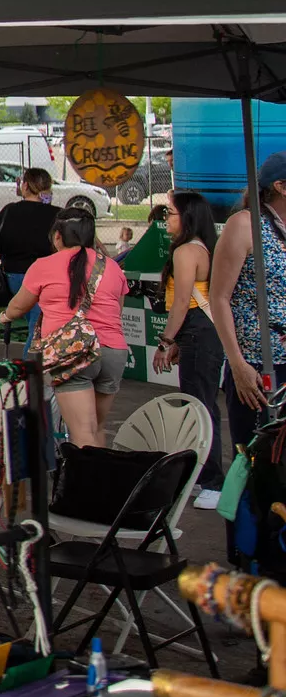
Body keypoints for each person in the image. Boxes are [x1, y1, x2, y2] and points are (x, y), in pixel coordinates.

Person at [0, 210, 125, 447]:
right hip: (113, 352)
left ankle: (85, 484)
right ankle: (102, 481)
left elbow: (18, 307)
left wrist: (4, 315)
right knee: (96, 428)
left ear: (58, 236)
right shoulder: (112, 267)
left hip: (73, 354)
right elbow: (117, 310)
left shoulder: (44, 266)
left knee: (81, 434)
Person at [208, 151, 286, 467]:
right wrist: (238, 364)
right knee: (256, 462)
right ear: (281, 186)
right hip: (257, 365)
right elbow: (219, 298)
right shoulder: (245, 225)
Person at [152, 190, 224, 506]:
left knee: (200, 408)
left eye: (171, 212)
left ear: (188, 216)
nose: (165, 218)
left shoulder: (186, 253)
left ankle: (213, 481)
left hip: (198, 331)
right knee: (201, 405)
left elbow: (182, 302)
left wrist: (166, 341)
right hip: (200, 333)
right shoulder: (202, 248)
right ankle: (203, 476)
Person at [0, 169, 59, 336]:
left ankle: (35, 360)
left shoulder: (8, 212)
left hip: (13, 276)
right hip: (45, 278)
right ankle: (34, 361)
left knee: (36, 324)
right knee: (38, 329)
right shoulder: (57, 215)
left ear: (25, 186)